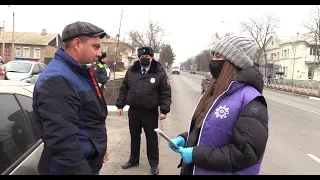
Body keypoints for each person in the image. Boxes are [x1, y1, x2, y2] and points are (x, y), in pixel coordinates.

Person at [168, 35, 269, 175]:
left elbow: (246, 153)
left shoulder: (251, 100)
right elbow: (213, 130)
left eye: (218, 56)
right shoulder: (217, 91)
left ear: (235, 61)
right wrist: (186, 139)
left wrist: (196, 155)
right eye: (213, 55)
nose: (213, 61)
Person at [32, 21, 109, 175]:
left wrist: (100, 149)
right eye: (95, 46)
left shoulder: (78, 72)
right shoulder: (57, 79)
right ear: (77, 44)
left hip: (86, 161)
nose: (99, 53)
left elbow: (91, 117)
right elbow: (63, 142)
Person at [115, 46, 172, 175]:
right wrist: (120, 105)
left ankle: (154, 163)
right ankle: (133, 160)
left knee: (151, 138)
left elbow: (165, 93)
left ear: (151, 58)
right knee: (134, 136)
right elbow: (124, 89)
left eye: (147, 57)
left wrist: (164, 110)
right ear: (139, 58)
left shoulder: (159, 73)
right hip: (134, 111)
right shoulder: (131, 71)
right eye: (142, 57)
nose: (144, 59)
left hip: (150, 112)